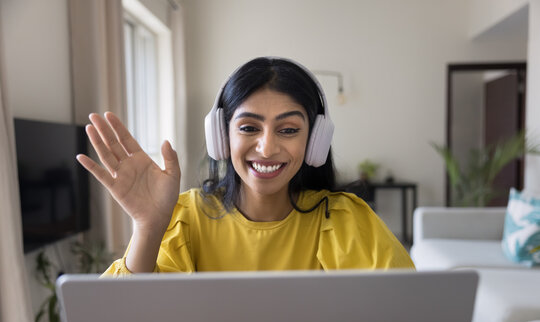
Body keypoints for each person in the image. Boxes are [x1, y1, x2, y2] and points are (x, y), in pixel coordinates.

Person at [76, 57, 414, 275]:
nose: (266, 148)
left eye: (289, 130)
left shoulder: (344, 219)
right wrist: (148, 226)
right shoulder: (186, 218)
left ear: (315, 141)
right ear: (221, 137)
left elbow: (408, 314)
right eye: (249, 127)